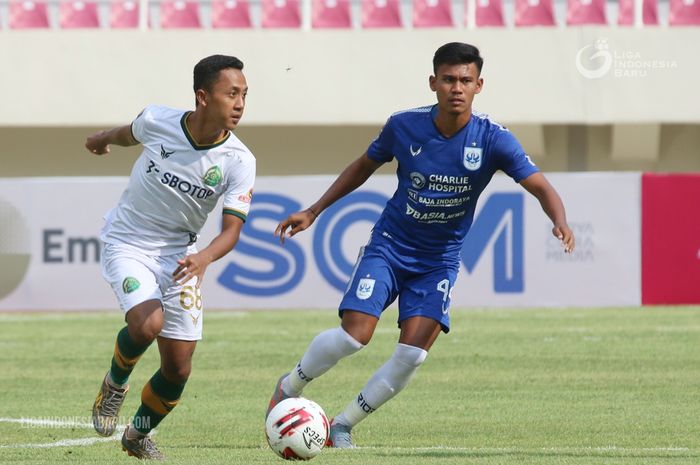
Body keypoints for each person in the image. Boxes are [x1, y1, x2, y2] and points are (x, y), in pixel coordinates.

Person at [267, 42, 575, 448]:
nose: (456, 87)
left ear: (479, 85)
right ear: (433, 82)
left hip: (438, 261)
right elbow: (363, 166)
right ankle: (289, 387)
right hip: (390, 247)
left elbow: (540, 185)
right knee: (353, 336)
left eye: (466, 80)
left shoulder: (494, 139)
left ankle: (342, 425)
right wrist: (314, 210)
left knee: (412, 355)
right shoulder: (404, 125)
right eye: (448, 79)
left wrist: (560, 220)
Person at [86, 55, 255, 460]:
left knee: (178, 369)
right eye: (231, 93)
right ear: (202, 96)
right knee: (147, 324)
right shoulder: (159, 120)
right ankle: (114, 385)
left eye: (245, 95)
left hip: (181, 255)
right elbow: (130, 133)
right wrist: (103, 138)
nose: (240, 103)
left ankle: (136, 435)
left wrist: (204, 259)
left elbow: (231, 231)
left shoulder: (239, 160)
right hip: (128, 241)